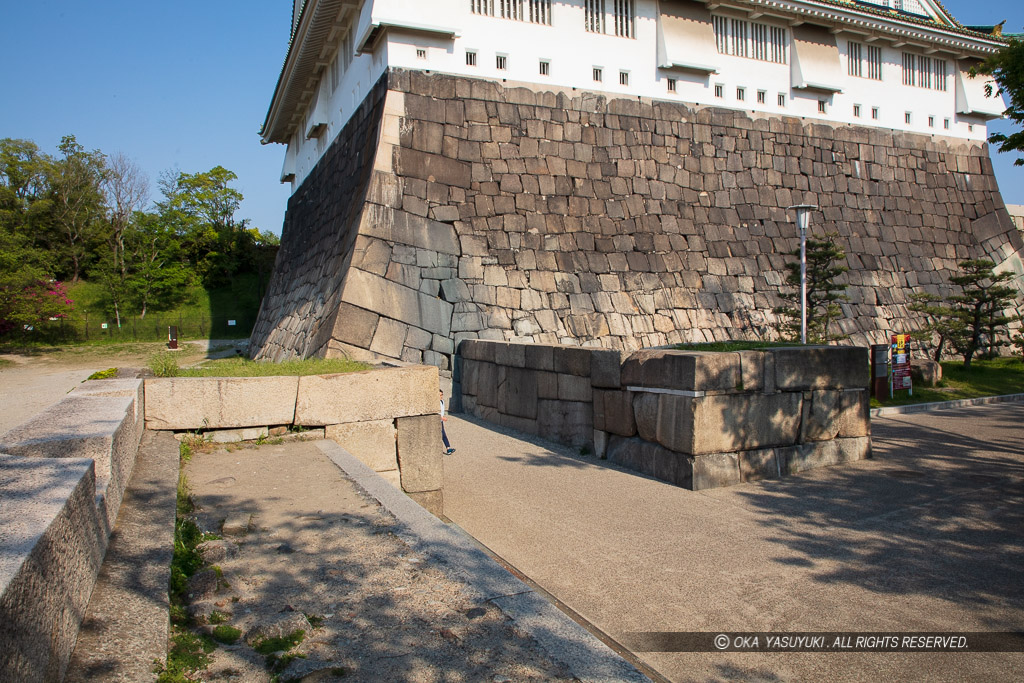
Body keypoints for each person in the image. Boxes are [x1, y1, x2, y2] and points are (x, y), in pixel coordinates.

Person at [440, 389, 455, 455]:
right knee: (442, 434)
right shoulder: (436, 402)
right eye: (440, 395)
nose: (441, 396)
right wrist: (442, 418)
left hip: (441, 421)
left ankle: (448, 448)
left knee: (443, 435)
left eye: (442, 395)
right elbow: (436, 413)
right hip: (438, 421)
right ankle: (448, 449)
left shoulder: (442, 401)